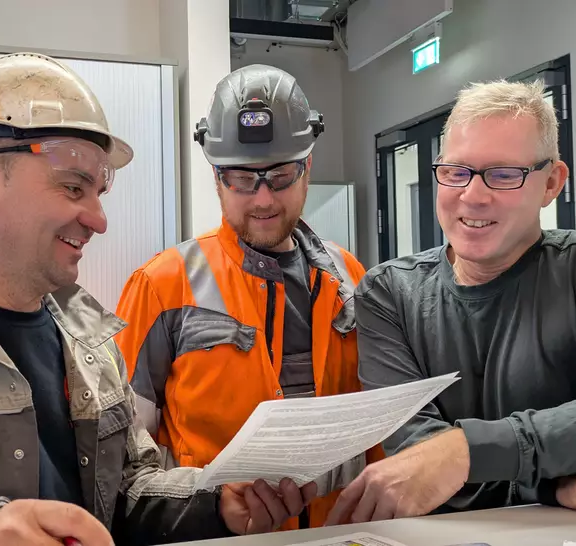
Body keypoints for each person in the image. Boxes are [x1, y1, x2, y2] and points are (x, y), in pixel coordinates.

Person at [0, 53, 317, 546]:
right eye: (72, 187)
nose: (98, 219)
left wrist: (216, 503)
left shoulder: (89, 341)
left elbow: (128, 493)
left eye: (99, 190)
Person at [327, 79, 576, 526]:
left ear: (552, 183)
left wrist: (465, 451)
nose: (473, 195)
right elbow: (419, 457)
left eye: (504, 174)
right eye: (456, 172)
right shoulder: (389, 293)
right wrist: (556, 484)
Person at [113, 64, 384, 531]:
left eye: (280, 175)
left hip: (341, 534)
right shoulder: (161, 285)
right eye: (241, 178)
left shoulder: (348, 276)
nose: (262, 200)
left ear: (308, 168)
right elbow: (119, 460)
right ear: (216, 177)